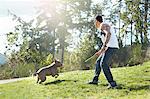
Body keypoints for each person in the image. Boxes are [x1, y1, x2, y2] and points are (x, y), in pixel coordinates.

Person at [88, 15, 119, 89]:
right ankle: (95, 80)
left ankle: (112, 83)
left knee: (103, 64)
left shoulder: (103, 25)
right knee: (98, 62)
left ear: (97, 21)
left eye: (94, 22)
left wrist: (104, 47)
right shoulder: (102, 27)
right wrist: (100, 51)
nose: (94, 24)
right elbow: (106, 38)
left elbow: (109, 34)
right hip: (109, 47)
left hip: (111, 47)